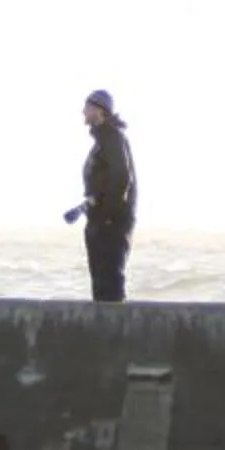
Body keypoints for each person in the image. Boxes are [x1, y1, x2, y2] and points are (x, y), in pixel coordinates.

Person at [74, 87, 137, 303]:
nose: (83, 112)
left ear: (100, 110)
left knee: (109, 286)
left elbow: (122, 177)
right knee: (102, 286)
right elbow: (104, 184)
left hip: (111, 223)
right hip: (102, 221)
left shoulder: (112, 137)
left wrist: (108, 215)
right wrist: (87, 206)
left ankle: (115, 335)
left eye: (87, 107)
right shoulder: (104, 140)